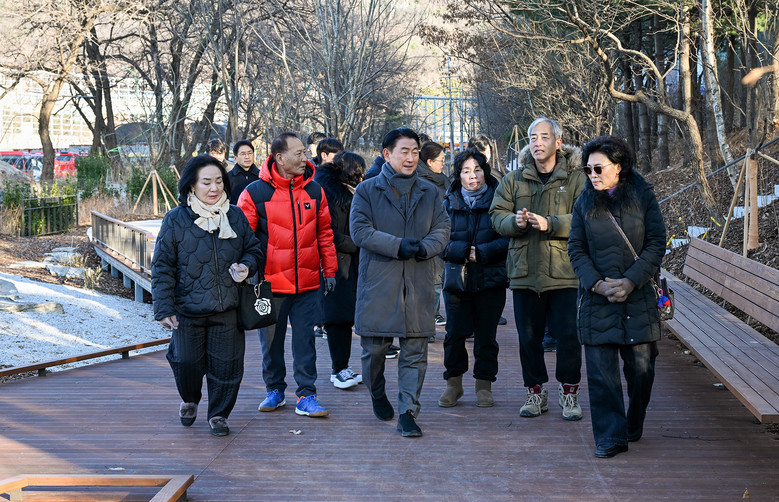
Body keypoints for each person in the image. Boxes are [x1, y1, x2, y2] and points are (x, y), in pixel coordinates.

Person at [568, 136, 666, 458]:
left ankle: (633, 422)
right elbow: (576, 249)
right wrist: (597, 284)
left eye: (598, 168)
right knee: (601, 374)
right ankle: (610, 436)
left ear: (619, 166)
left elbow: (656, 242)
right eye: (588, 169)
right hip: (597, 299)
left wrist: (631, 280)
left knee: (642, 370)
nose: (592, 175)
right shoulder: (583, 202)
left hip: (637, 296)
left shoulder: (643, 195)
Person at [152, 155, 263, 437]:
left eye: (218, 182)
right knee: (186, 362)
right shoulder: (175, 219)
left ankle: (219, 414)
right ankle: (190, 398)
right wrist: (164, 308)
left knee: (227, 367)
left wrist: (246, 265)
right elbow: (162, 266)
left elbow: (254, 250)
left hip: (228, 308)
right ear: (191, 185)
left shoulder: (235, 216)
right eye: (206, 182)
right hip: (187, 310)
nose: (214, 188)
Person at [350, 128, 450, 437]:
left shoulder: (430, 191)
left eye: (415, 152)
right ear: (386, 154)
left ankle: (408, 412)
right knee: (373, 353)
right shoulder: (367, 190)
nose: (410, 157)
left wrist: (424, 247)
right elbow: (360, 231)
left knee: (415, 353)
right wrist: (397, 245)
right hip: (379, 283)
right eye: (404, 151)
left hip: (419, 281)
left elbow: (443, 227)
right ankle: (377, 392)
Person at [489, 117, 587, 421]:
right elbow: (497, 215)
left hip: (564, 272)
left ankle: (569, 393)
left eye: (544, 137)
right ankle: (535, 393)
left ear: (558, 142)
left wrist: (551, 224)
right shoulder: (513, 179)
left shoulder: (576, 179)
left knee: (568, 338)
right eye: (532, 137)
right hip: (524, 272)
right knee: (528, 339)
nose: (537, 142)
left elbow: (586, 217)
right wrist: (514, 222)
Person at [237, 132, 338, 418]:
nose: (306, 158)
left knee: (305, 341)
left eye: (306, 152)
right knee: (271, 343)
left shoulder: (315, 191)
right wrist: (248, 272)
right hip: (269, 284)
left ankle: (307, 394)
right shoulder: (255, 193)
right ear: (279, 158)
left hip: (308, 283)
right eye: (299, 153)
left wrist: (330, 270)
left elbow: (325, 233)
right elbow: (243, 240)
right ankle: (275, 390)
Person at [438, 148, 508, 408]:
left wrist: (484, 252)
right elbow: (437, 240)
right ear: (458, 175)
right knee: (454, 334)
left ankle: (484, 385)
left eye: (477, 170)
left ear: (485, 172)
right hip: (457, 281)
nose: (472, 176)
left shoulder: (500, 200)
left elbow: (509, 238)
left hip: (491, 279)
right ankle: (453, 384)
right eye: (466, 171)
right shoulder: (448, 202)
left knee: (486, 336)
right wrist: (463, 251)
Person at [314, 150, 366, 389]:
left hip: (352, 262)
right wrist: (358, 242)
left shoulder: (350, 191)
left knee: (345, 317)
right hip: (334, 264)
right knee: (337, 318)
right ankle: (338, 369)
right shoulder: (328, 193)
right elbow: (327, 232)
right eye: (360, 173)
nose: (363, 177)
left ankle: (343, 367)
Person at [418, 141, 450, 336]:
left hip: (442, 237)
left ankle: (428, 326)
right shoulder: (419, 181)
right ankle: (424, 328)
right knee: (428, 285)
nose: (443, 164)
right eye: (441, 160)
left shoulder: (442, 179)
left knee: (437, 283)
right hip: (426, 239)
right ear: (429, 162)